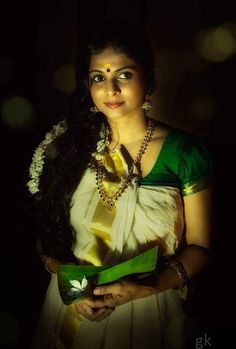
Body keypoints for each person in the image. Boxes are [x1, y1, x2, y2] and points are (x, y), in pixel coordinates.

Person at [27, 20, 214, 349]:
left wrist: (149, 287)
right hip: (67, 309)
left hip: (147, 312)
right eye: (99, 77)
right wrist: (67, 280)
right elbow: (46, 234)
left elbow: (200, 248)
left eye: (124, 75)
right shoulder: (70, 148)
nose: (110, 90)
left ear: (148, 78)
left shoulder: (185, 152)